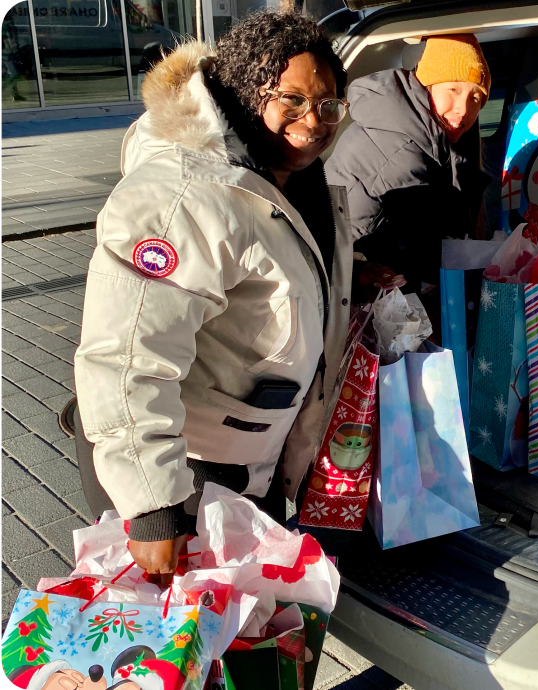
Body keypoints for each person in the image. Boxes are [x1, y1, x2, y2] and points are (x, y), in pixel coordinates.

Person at [73, 9, 352, 584]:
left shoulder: (288, 179)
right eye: (292, 99)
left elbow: (279, 274)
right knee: (182, 653)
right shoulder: (185, 194)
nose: (314, 120)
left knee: (245, 638)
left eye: (328, 104)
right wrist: (153, 508)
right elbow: (127, 356)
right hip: (183, 480)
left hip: (244, 473)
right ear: (249, 91)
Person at [325, 34, 492, 298]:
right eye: (454, 90)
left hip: (361, 278)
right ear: (428, 83)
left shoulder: (420, 134)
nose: (463, 109)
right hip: (346, 285)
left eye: (475, 98)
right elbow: (425, 255)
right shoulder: (400, 147)